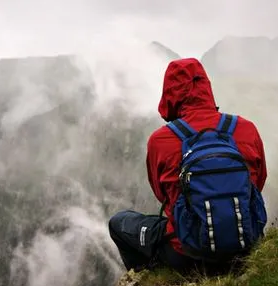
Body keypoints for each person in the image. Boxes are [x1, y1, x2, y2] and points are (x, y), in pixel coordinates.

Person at [108, 58, 267, 273]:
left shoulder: (160, 140)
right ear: (206, 87)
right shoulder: (246, 129)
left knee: (119, 223)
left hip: (187, 255)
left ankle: (151, 277)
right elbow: (258, 183)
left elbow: (163, 194)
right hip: (246, 246)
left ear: (169, 93)